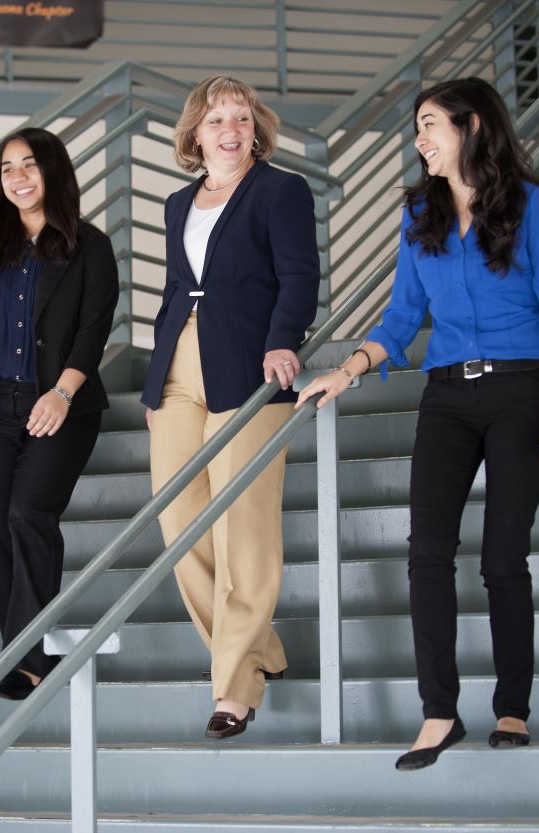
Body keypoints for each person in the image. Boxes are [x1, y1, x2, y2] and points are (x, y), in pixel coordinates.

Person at [297, 77, 539, 769]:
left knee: (502, 559)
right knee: (426, 553)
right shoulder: (419, 213)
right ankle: (438, 713)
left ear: (473, 126)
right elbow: (402, 319)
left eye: (430, 124)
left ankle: (511, 707)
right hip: (448, 398)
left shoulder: (527, 204)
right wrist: (351, 367)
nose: (420, 140)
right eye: (417, 128)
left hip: (523, 392)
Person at [141, 75, 320, 739]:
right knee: (181, 526)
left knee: (241, 526)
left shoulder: (282, 191)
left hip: (250, 367)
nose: (230, 129)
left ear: (256, 129)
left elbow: (299, 275)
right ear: (195, 133)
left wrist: (283, 344)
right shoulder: (177, 203)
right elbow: (174, 292)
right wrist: (155, 384)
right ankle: (259, 649)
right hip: (179, 371)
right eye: (216, 119)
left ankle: (233, 688)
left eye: (241, 118)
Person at [0, 127, 118, 701]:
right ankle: (19, 648)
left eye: (29, 165)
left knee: (27, 515)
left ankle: (28, 656)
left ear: (53, 172)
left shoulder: (88, 245)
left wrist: (62, 394)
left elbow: (94, 329)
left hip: (61, 406)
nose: (17, 177)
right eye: (7, 168)